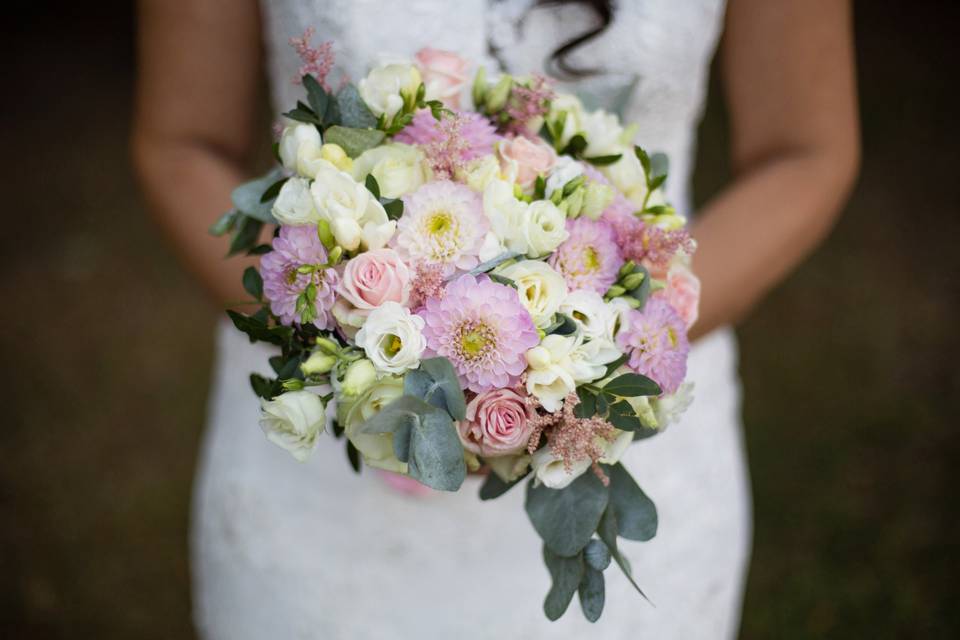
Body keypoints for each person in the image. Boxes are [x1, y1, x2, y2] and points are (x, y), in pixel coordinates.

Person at [132, 1, 859, 638]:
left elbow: (806, 152)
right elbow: (180, 142)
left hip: (625, 425)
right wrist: (339, 328)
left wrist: (597, 360)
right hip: (320, 474)